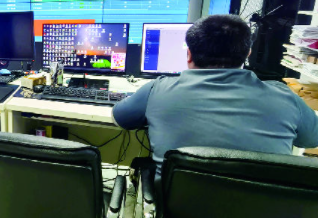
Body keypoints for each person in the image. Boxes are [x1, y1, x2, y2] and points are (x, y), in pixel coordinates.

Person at [113, 14, 318, 177]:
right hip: (263, 215)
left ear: (188, 54)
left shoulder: (157, 90)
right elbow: (311, 140)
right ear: (247, 54)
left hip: (176, 212)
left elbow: (120, 118)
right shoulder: (285, 97)